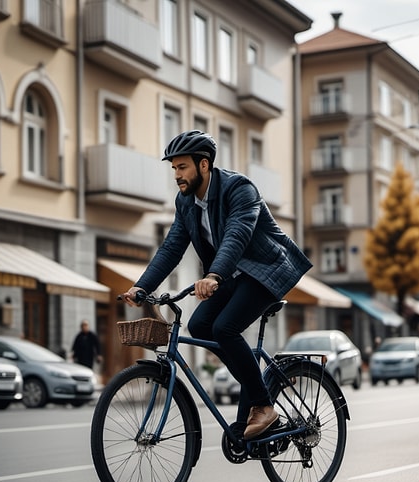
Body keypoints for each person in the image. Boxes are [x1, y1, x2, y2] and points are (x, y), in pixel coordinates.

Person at [122, 130, 312, 440]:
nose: (177, 175)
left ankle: (263, 405)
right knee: (199, 325)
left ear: (204, 165)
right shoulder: (185, 202)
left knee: (224, 328)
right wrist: (141, 287)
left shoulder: (239, 189)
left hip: (266, 268)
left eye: (182, 167)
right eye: (173, 168)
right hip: (231, 274)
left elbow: (237, 234)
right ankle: (254, 387)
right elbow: (172, 247)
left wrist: (213, 275)